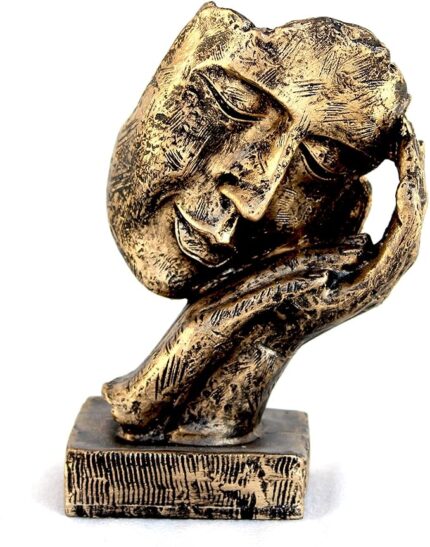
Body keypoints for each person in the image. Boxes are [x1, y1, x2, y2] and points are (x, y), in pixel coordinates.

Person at [103, 4, 426, 445]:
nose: (255, 199)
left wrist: (274, 324)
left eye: (319, 165)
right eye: (234, 105)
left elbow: (191, 425)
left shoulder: (308, 242)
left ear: (345, 212)